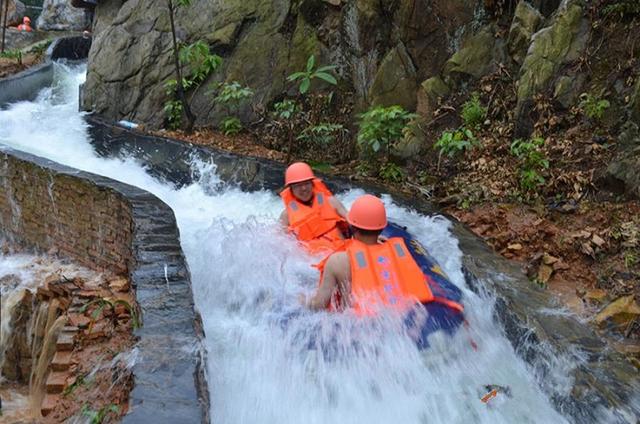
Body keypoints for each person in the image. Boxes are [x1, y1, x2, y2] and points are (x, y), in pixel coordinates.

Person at [302, 194, 464, 315]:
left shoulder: (337, 261)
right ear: (381, 228)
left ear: (351, 225)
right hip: (403, 322)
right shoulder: (398, 251)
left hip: (357, 329)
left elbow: (320, 304)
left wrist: (303, 302)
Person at [280, 162, 348, 254]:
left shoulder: (331, 202)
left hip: (340, 254)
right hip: (311, 261)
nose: (304, 188)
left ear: (312, 184)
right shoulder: (286, 216)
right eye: (298, 185)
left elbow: (354, 223)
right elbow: (281, 244)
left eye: (306, 183)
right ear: (291, 189)